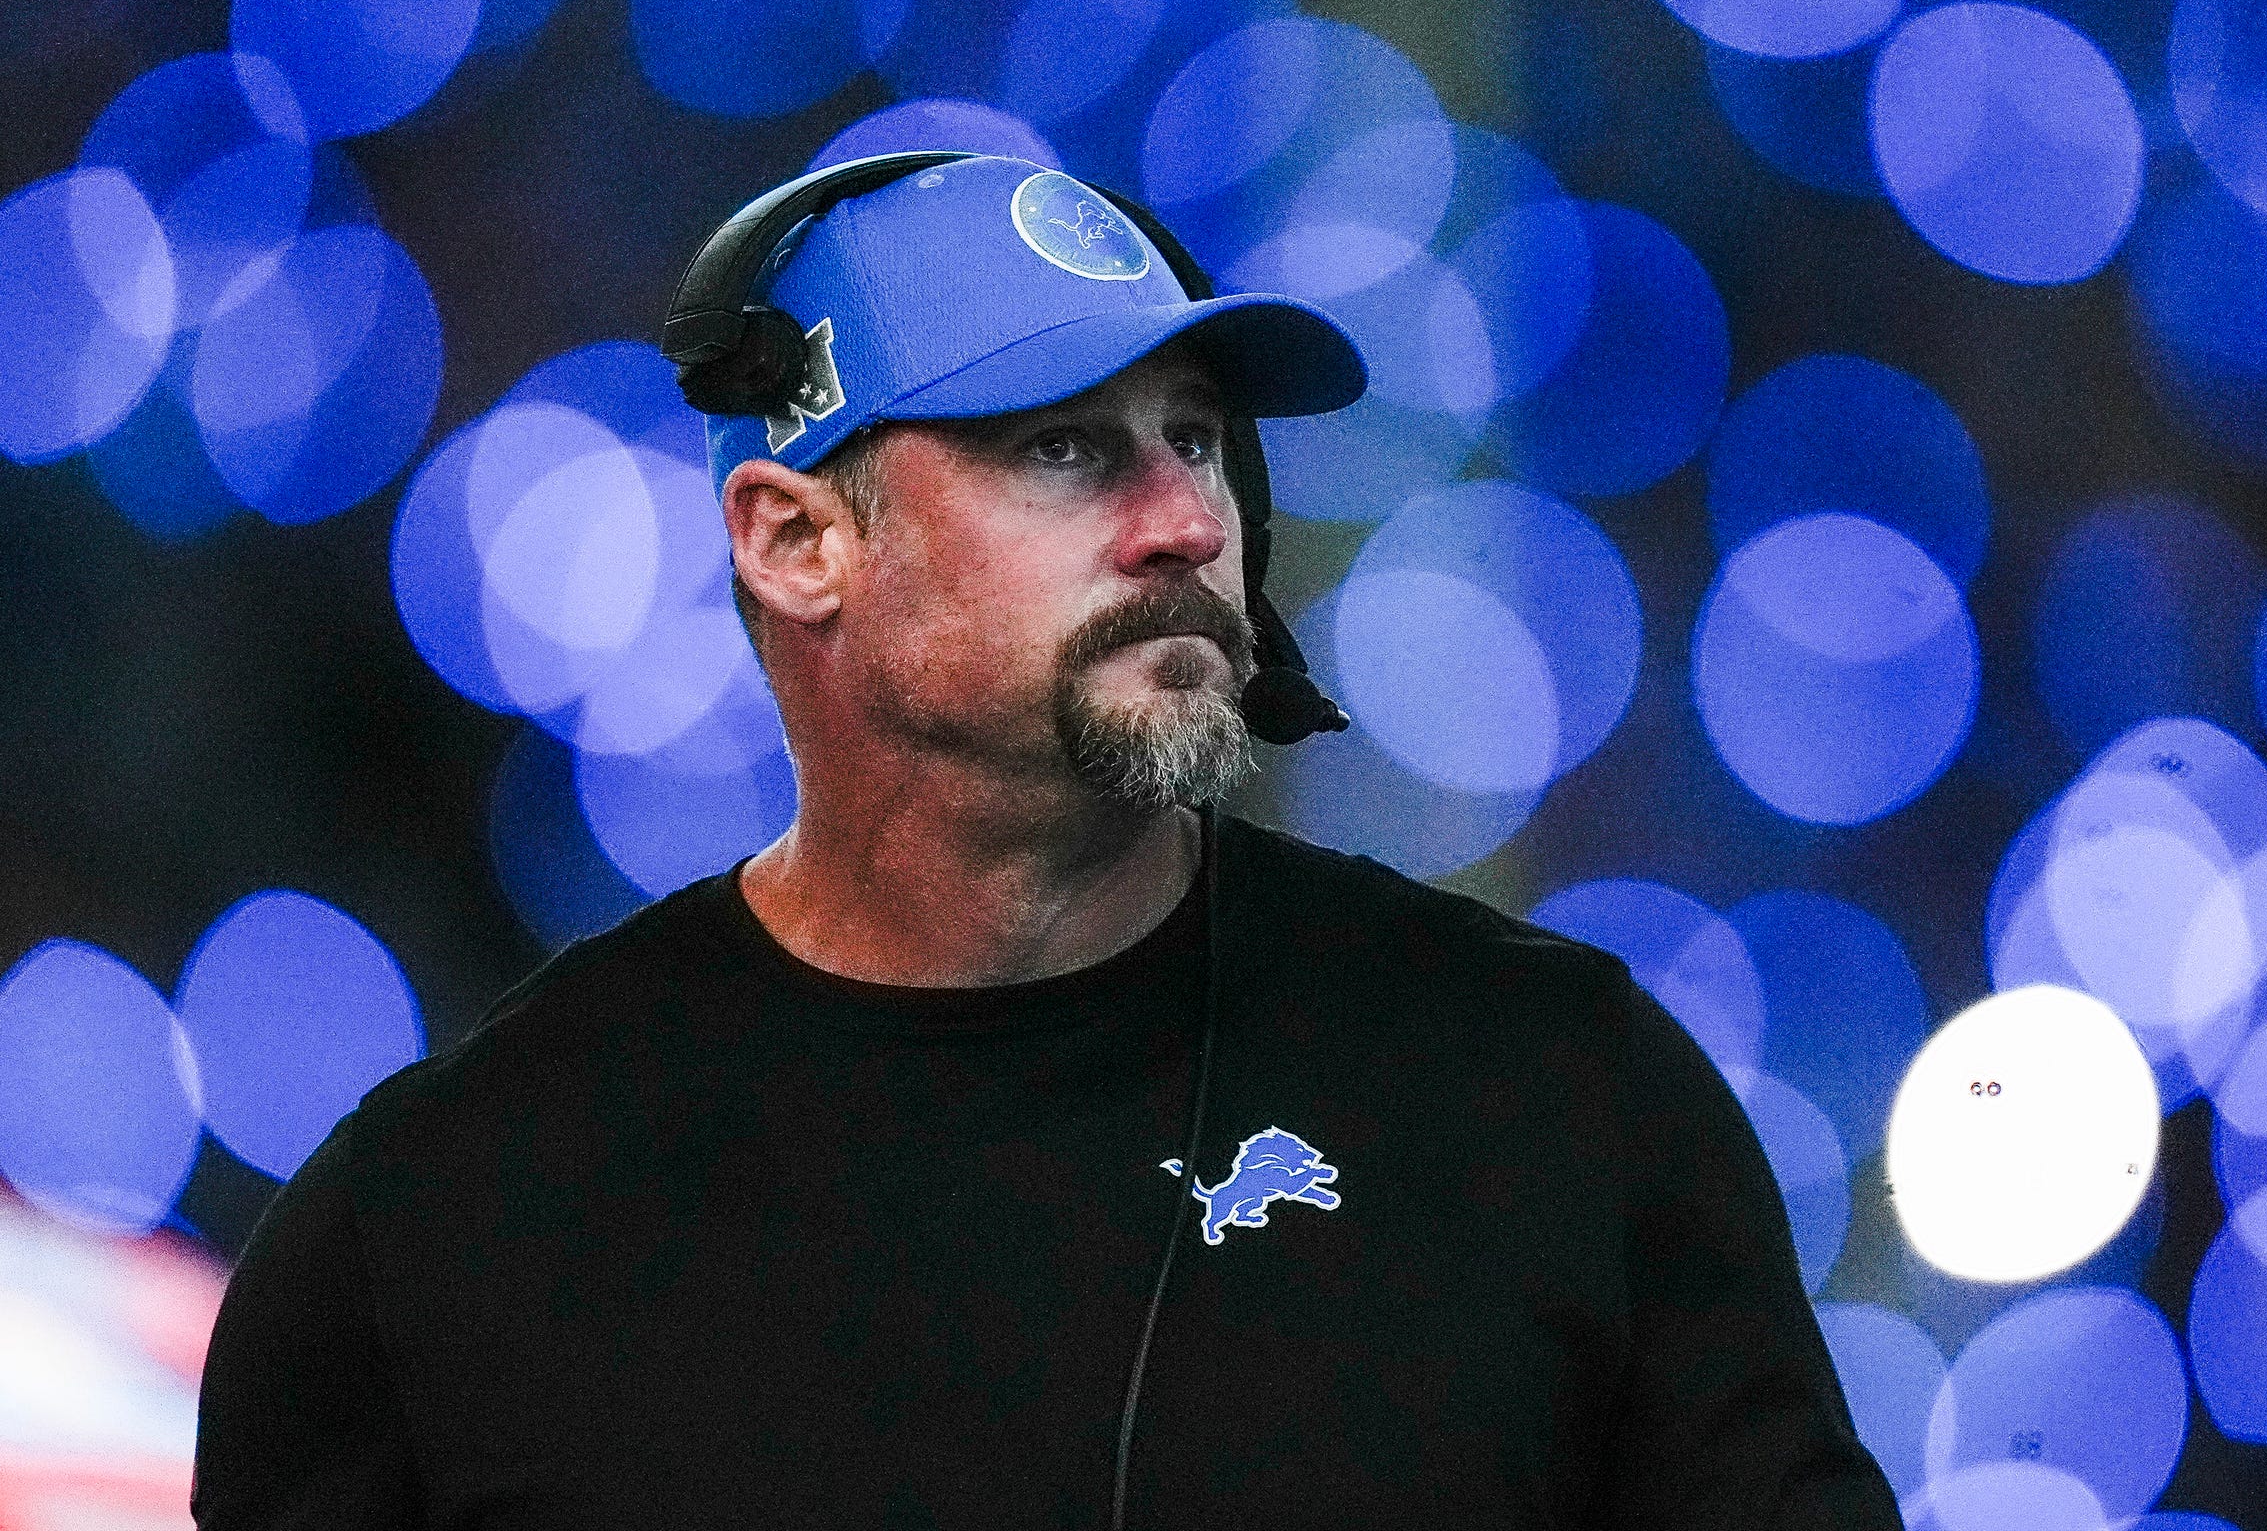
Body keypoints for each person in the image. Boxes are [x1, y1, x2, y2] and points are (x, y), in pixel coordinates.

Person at [193, 154, 1903, 1529]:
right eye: (1066, 447)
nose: (1184, 524)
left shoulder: (1559, 1092)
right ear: (795, 542)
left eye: (1197, 440)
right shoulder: (440, 1224)